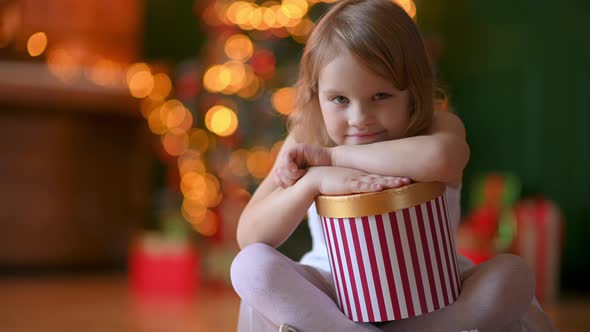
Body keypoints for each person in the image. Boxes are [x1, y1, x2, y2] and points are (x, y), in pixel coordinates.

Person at [231, 0, 555, 331]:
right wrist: (313, 182)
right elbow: (251, 234)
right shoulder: (307, 137)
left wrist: (332, 157)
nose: (360, 119)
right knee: (249, 267)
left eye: (381, 96)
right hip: (332, 299)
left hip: (434, 294)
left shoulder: (437, 127)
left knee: (513, 275)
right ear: (316, 95)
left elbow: (441, 158)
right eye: (340, 100)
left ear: (412, 93)